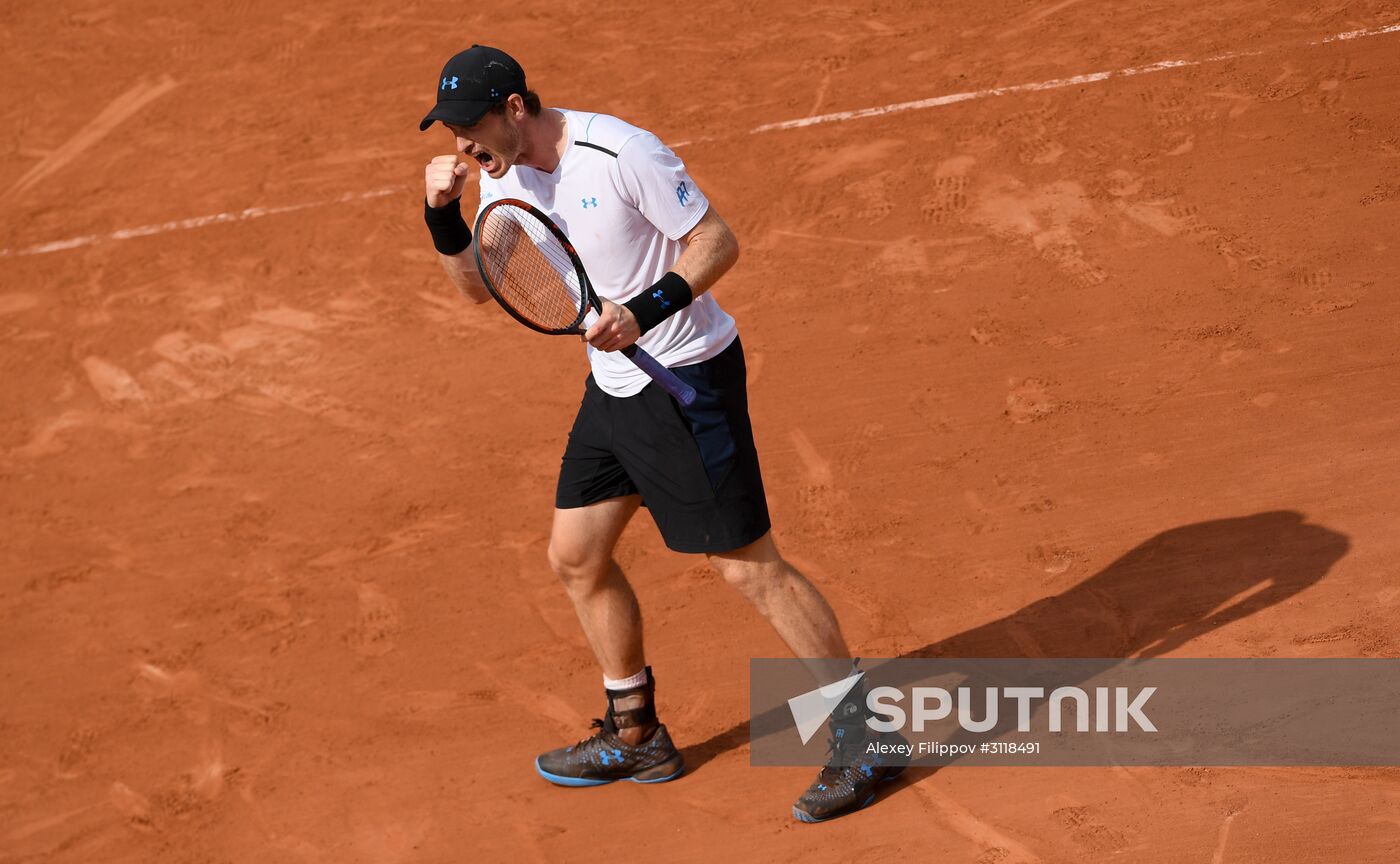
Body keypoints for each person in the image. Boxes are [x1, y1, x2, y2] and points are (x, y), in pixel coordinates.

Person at [418, 44, 902, 822]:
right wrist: (442, 216)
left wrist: (643, 308)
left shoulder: (620, 153)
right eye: (449, 131)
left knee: (750, 569)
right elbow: (478, 289)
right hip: (613, 393)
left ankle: (865, 733)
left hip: (687, 384)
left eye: (471, 125)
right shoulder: (502, 178)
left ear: (515, 109)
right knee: (576, 557)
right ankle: (637, 731)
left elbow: (717, 241)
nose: (462, 146)